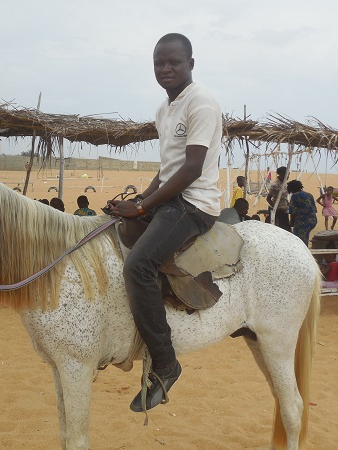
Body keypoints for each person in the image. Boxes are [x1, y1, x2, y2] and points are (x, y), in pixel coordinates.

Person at [108, 33, 221, 412]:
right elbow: (166, 169)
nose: (166, 69)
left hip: (193, 203)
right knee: (114, 232)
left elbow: (191, 168)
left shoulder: (201, 102)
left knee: (139, 264)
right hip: (170, 198)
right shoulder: (163, 109)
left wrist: (143, 208)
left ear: (191, 63)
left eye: (173, 62)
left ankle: (166, 363)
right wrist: (139, 200)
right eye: (159, 63)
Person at [286, 179, 317, 246]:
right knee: (305, 236)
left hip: (303, 221)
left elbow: (292, 212)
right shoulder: (309, 195)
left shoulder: (295, 196)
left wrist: (292, 224)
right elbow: (314, 209)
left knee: (299, 240)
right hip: (313, 220)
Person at [266, 166, 290, 231]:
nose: (288, 177)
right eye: (287, 175)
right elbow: (268, 198)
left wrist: (288, 204)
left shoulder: (285, 184)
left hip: (284, 210)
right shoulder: (275, 185)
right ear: (282, 174)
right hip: (277, 212)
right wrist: (276, 207)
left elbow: (284, 198)